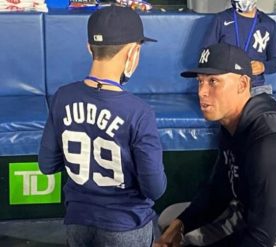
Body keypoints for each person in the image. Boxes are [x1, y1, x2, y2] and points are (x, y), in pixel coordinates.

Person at [154, 43, 276, 247]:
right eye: (200, 81)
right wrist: (180, 225)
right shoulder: (230, 127)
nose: (202, 92)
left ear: (243, 85)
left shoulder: (271, 142)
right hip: (257, 219)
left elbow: (261, 239)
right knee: (170, 219)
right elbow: (217, 192)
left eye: (213, 81)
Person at [38, 5, 167, 247]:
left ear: (89, 47)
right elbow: (155, 188)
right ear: (133, 52)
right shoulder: (139, 112)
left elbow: (46, 165)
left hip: (78, 223)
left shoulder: (62, 97)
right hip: (126, 226)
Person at [202, 0, 276, 96]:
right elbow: (206, 55)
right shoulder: (221, 19)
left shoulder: (268, 24)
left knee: (272, 110)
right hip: (225, 86)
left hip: (255, 87)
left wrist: (263, 66)